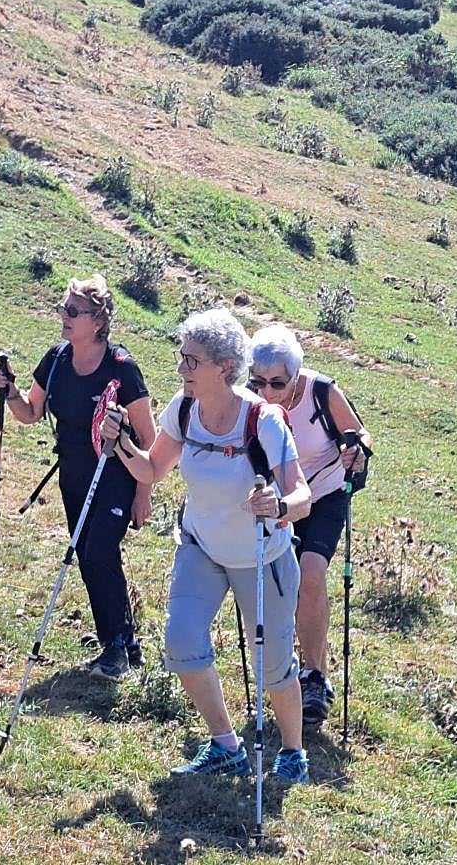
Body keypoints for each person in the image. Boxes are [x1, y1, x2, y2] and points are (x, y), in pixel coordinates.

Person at [99, 308, 314, 784]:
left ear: (224, 367)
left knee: (273, 665)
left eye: (191, 361)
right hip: (202, 547)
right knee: (181, 641)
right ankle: (225, 743)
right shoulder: (182, 408)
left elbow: (302, 496)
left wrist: (277, 505)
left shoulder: (264, 422)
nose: (181, 369)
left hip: (263, 557)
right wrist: (119, 445)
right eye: (181, 357)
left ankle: (293, 752)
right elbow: (152, 471)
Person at [0, 274, 157, 680]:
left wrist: (143, 494)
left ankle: (115, 647)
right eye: (62, 309)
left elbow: (150, 441)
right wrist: (11, 392)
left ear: (98, 321)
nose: (63, 317)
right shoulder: (56, 359)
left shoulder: (122, 368)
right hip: (73, 474)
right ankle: (125, 640)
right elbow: (31, 413)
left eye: (72, 311)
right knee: (88, 555)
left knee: (100, 551)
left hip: (118, 472)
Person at [245, 325, 370, 728]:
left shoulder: (321, 392)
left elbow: (360, 433)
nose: (266, 391)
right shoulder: (248, 403)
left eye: (277, 382)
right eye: (257, 381)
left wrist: (358, 451)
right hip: (276, 498)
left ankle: (314, 678)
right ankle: (284, 671)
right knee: (282, 581)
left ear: (295, 375)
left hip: (326, 495)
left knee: (312, 575)